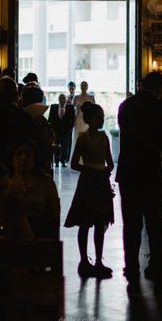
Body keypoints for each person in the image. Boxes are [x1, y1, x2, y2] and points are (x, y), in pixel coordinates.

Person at [117, 72, 162, 295]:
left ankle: (131, 269)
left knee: (131, 225)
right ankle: (157, 269)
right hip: (150, 170)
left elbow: (123, 133)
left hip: (129, 170)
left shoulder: (126, 105)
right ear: (159, 88)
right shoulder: (160, 108)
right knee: (155, 225)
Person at [64, 102, 115, 279]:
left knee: (98, 224)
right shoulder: (83, 138)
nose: (101, 120)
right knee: (86, 223)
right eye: (99, 117)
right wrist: (98, 171)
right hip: (92, 181)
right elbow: (73, 163)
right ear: (90, 119)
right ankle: (85, 260)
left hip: (95, 181)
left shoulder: (103, 137)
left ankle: (97, 260)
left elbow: (111, 163)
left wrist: (101, 171)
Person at [10, 140, 60, 239]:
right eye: (19, 154)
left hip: (40, 237)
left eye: (28, 154)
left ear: (35, 158)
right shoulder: (6, 182)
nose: (23, 158)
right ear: (12, 158)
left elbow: (54, 218)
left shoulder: (46, 183)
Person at [48, 93, 75, 167]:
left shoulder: (70, 107)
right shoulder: (53, 107)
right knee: (56, 146)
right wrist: (52, 129)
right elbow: (50, 119)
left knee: (65, 147)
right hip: (56, 131)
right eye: (61, 98)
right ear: (58, 99)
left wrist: (69, 128)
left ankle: (63, 161)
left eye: (63, 98)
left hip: (65, 131)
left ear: (66, 99)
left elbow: (72, 119)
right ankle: (56, 161)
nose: (62, 99)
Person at [71, 81, 95, 156]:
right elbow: (71, 110)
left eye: (85, 85)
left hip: (88, 121)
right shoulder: (76, 97)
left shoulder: (91, 97)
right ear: (80, 86)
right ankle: (77, 156)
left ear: (87, 87)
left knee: (87, 137)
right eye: (82, 85)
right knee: (78, 137)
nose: (84, 87)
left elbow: (94, 110)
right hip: (78, 120)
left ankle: (87, 155)